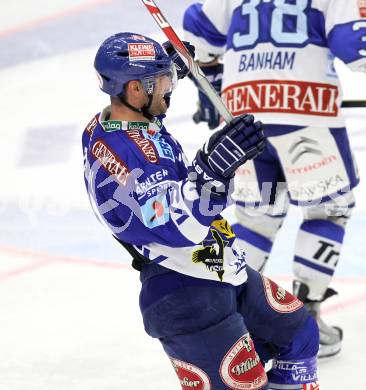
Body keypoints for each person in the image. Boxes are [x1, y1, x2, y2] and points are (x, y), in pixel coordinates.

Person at [82, 32, 320, 389]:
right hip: (183, 290)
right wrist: (212, 172)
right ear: (134, 89)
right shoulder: (124, 154)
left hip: (217, 266)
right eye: (162, 80)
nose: (170, 87)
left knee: (298, 333)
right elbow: (174, 227)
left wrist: (168, 65)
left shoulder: (123, 119)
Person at [183, 0, 365, 358]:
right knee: (328, 211)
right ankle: (305, 314)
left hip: (242, 115)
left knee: (257, 218)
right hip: (306, 111)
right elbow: (353, 46)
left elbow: (197, 28)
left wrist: (212, 80)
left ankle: (232, 315)